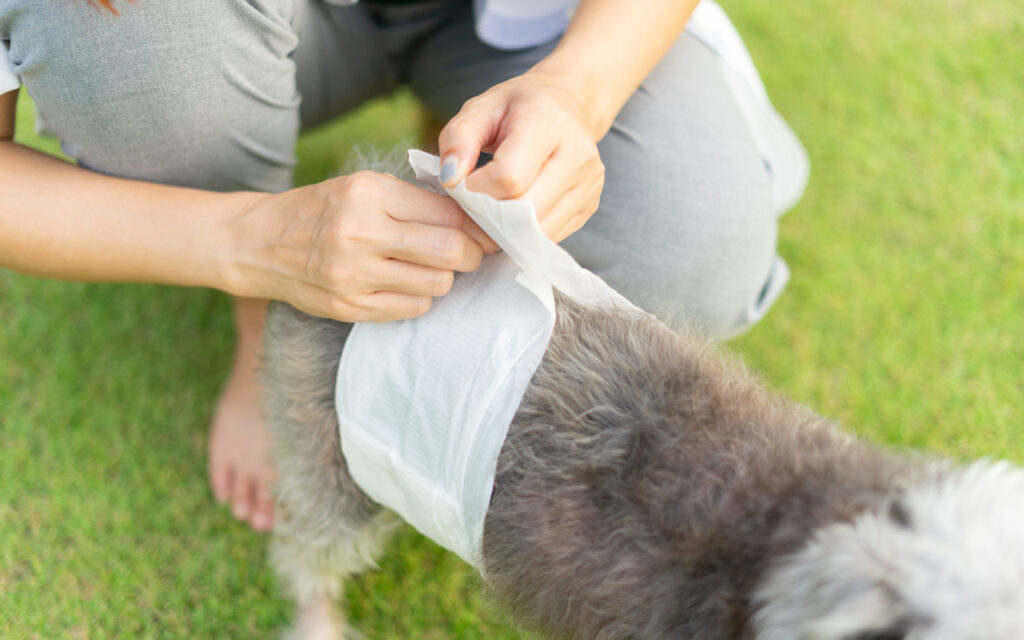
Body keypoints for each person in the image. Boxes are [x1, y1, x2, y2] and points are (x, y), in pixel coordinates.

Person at [0, 0, 805, 533]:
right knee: (116, 28)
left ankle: (463, 126)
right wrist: (250, 240)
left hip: (520, 19)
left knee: (690, 249)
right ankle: (267, 330)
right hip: (218, 30)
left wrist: (577, 90)